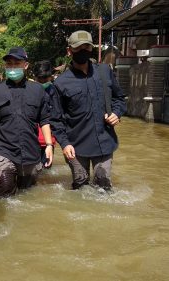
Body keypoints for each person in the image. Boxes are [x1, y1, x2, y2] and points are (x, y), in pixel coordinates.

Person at [52, 30, 127, 191]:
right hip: (76, 147)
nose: (82, 51)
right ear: (69, 51)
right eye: (78, 48)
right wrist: (64, 144)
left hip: (105, 142)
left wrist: (117, 113)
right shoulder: (61, 83)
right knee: (80, 187)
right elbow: (56, 119)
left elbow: (119, 99)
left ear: (91, 48)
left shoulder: (105, 72)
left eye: (86, 47)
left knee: (103, 187)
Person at [0, 47, 53, 198]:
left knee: (26, 195)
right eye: (9, 64)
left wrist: (49, 145)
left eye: (16, 63)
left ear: (25, 65)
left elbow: (44, 119)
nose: (12, 67)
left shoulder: (37, 90)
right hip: (3, 150)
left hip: (30, 152)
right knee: (5, 189)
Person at [33, 60, 58, 167]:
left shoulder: (56, 92)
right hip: (31, 140)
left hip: (49, 141)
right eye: (40, 79)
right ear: (35, 77)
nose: (43, 82)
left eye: (45, 78)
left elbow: (58, 117)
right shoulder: (29, 91)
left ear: (51, 77)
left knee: (46, 170)